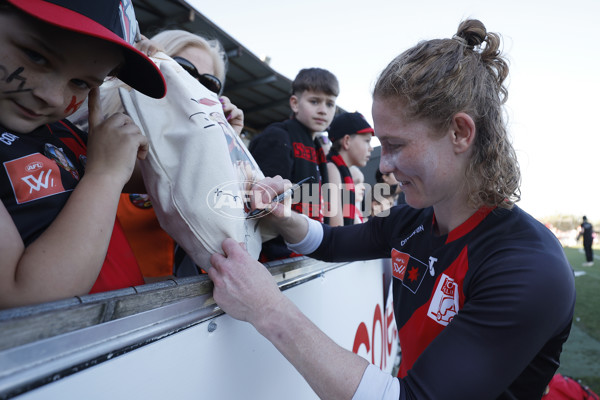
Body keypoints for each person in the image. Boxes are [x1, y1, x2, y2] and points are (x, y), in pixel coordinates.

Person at [207, 19, 576, 399]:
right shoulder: (410, 221)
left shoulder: (526, 265)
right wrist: (283, 218)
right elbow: (330, 242)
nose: (383, 164)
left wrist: (268, 309)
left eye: (396, 145)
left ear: (461, 133)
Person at [0, 0, 166, 308]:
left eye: (80, 82)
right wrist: (104, 176)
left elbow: (165, 178)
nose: (51, 96)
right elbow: (23, 299)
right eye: (36, 55)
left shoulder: (64, 132)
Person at [108, 29, 244, 279]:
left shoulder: (206, 155)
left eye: (208, 84)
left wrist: (227, 142)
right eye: (183, 70)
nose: (193, 85)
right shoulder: (99, 132)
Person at [249, 67, 339, 260]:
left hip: (305, 249)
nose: (323, 110)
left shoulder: (317, 149)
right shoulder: (277, 136)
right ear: (295, 103)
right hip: (276, 257)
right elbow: (264, 206)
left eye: (330, 104)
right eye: (314, 101)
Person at [325, 112, 373, 226]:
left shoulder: (344, 172)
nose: (371, 148)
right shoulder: (331, 168)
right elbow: (337, 230)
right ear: (347, 141)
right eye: (367, 141)